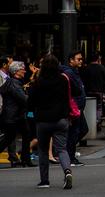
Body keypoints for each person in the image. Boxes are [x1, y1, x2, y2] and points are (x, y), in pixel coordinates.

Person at [27, 54, 73, 189]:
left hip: (43, 120)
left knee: (42, 150)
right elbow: (67, 98)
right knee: (62, 149)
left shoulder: (38, 82)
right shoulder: (63, 80)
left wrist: (31, 115)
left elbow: (31, 102)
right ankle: (67, 171)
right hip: (60, 119)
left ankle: (45, 180)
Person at [0, 61, 32, 167]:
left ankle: (25, 159)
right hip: (13, 116)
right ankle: (25, 159)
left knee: (25, 135)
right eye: (22, 69)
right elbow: (23, 99)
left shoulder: (13, 82)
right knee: (8, 138)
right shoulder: (15, 83)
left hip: (15, 115)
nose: (25, 70)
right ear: (16, 71)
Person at [60, 51, 87, 167]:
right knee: (75, 132)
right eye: (78, 59)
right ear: (71, 60)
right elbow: (74, 90)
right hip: (74, 108)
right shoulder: (69, 73)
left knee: (82, 130)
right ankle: (69, 156)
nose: (80, 61)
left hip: (78, 107)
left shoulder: (75, 72)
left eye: (81, 59)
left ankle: (67, 152)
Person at [80, 53, 105, 128]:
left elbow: (83, 80)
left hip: (88, 91)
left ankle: (90, 122)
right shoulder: (102, 68)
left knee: (88, 107)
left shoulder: (86, 68)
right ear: (97, 59)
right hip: (99, 91)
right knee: (99, 107)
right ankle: (97, 122)